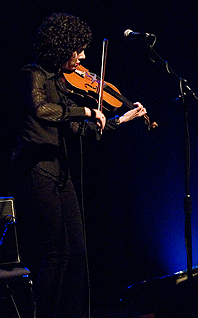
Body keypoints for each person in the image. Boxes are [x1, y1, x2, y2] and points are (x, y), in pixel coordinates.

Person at [11, 13, 148, 318]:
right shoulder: (31, 74)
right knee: (56, 253)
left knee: (78, 254)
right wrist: (86, 109)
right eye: (79, 49)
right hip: (36, 169)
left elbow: (79, 130)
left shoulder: (62, 83)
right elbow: (42, 111)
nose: (84, 56)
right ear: (61, 49)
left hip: (61, 172)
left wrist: (118, 120)